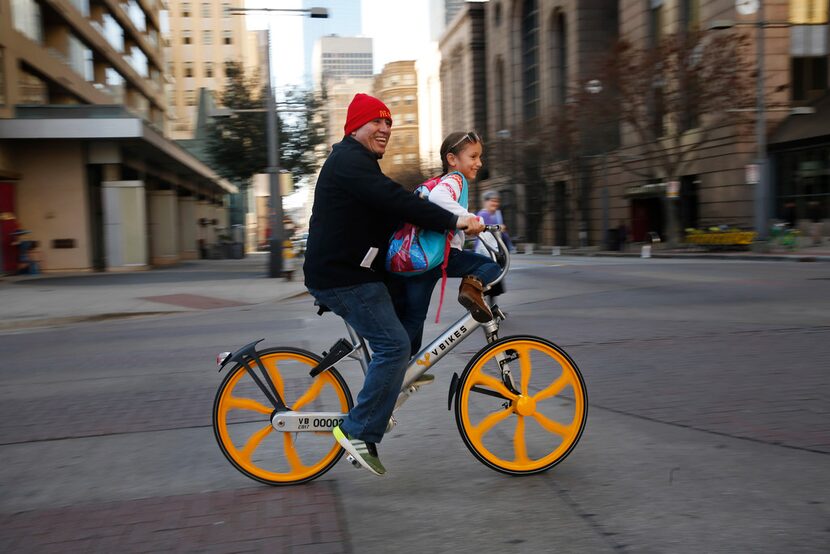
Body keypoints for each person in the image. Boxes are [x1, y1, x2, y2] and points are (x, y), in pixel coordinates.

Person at [303, 93, 482, 476]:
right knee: (393, 343)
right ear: (355, 127)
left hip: (359, 270)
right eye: (376, 122)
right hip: (342, 278)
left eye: (388, 123)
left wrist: (428, 223)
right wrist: (453, 221)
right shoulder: (350, 162)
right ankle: (358, 431)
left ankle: (399, 375)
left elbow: (391, 210)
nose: (385, 128)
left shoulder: (359, 163)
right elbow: (392, 200)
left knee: (408, 298)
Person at [393, 131, 502, 357]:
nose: (479, 163)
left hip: (420, 261)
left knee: (414, 319)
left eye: (479, 157)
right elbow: (439, 199)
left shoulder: (436, 182)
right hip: (441, 256)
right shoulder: (455, 179)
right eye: (473, 157)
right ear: (452, 160)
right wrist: (470, 219)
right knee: (492, 267)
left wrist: (468, 229)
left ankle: (398, 368)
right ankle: (470, 289)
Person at [475, 190, 514, 255]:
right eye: (493, 201)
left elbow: (503, 233)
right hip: (485, 250)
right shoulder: (483, 214)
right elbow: (484, 228)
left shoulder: (497, 214)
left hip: (494, 249)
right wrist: (499, 227)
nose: (495, 203)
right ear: (485, 202)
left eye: (497, 201)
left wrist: (509, 246)